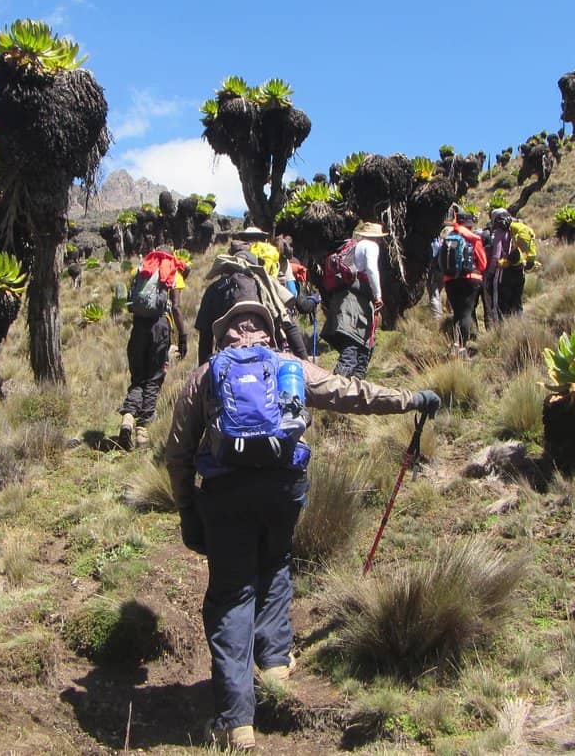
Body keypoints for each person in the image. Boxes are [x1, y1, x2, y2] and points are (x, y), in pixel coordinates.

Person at [165, 300, 442, 751]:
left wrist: (186, 507)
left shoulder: (206, 374)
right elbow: (347, 392)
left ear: (223, 336)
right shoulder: (287, 365)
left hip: (225, 495)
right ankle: (275, 664)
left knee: (232, 596)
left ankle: (236, 722)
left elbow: (177, 452)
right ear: (268, 331)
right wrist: (410, 399)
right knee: (276, 563)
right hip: (283, 488)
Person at [118, 247, 188, 449]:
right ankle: (142, 431)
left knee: (138, 377)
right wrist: (183, 336)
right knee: (154, 379)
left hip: (138, 328)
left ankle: (128, 418)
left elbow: (131, 299)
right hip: (160, 329)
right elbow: (176, 307)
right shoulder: (172, 271)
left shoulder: (141, 269)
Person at [322, 221, 386, 378]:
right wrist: (378, 295)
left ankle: (350, 386)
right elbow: (371, 269)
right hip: (358, 299)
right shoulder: (371, 246)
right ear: (376, 237)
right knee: (354, 346)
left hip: (343, 298)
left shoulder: (352, 246)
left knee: (355, 345)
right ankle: (338, 386)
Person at [440, 211, 488, 355]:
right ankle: (462, 348)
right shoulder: (473, 239)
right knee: (466, 313)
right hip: (470, 279)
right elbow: (483, 264)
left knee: (457, 313)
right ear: (469, 225)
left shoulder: (448, 238)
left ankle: (455, 345)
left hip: (450, 280)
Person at [483, 208, 537, 323]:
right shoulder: (516, 228)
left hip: (503, 273)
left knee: (501, 306)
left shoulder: (499, 232)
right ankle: (518, 328)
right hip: (519, 271)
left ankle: (501, 330)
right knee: (517, 304)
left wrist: (490, 273)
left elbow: (496, 256)